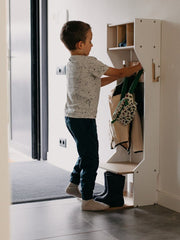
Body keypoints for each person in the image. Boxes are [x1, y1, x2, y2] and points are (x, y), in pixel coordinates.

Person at [60, 20, 142, 211]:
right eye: (90, 41)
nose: (92, 45)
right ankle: (87, 199)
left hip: (72, 118)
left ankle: (73, 185)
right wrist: (138, 67)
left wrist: (120, 76)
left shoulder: (72, 63)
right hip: (84, 119)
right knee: (91, 158)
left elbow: (95, 83)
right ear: (80, 44)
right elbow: (120, 70)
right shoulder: (90, 62)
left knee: (85, 152)